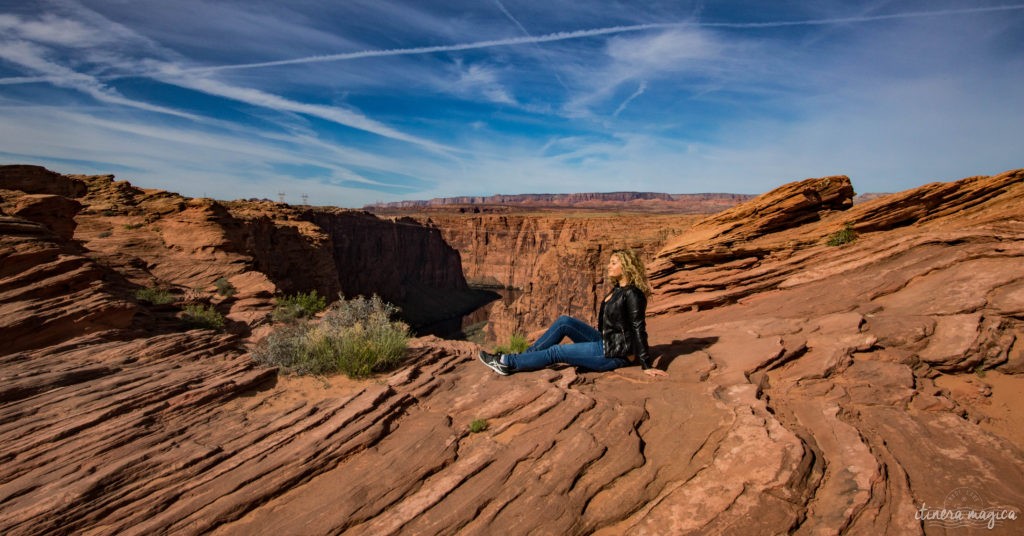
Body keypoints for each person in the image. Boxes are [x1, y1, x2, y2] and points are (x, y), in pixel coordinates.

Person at [479, 249, 668, 378]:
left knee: (557, 352)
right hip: (605, 342)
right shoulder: (617, 289)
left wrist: (645, 364)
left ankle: (507, 363)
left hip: (616, 355)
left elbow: (638, 328)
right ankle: (525, 358)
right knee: (564, 322)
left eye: (613, 263)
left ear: (626, 267)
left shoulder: (633, 294)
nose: (608, 266)